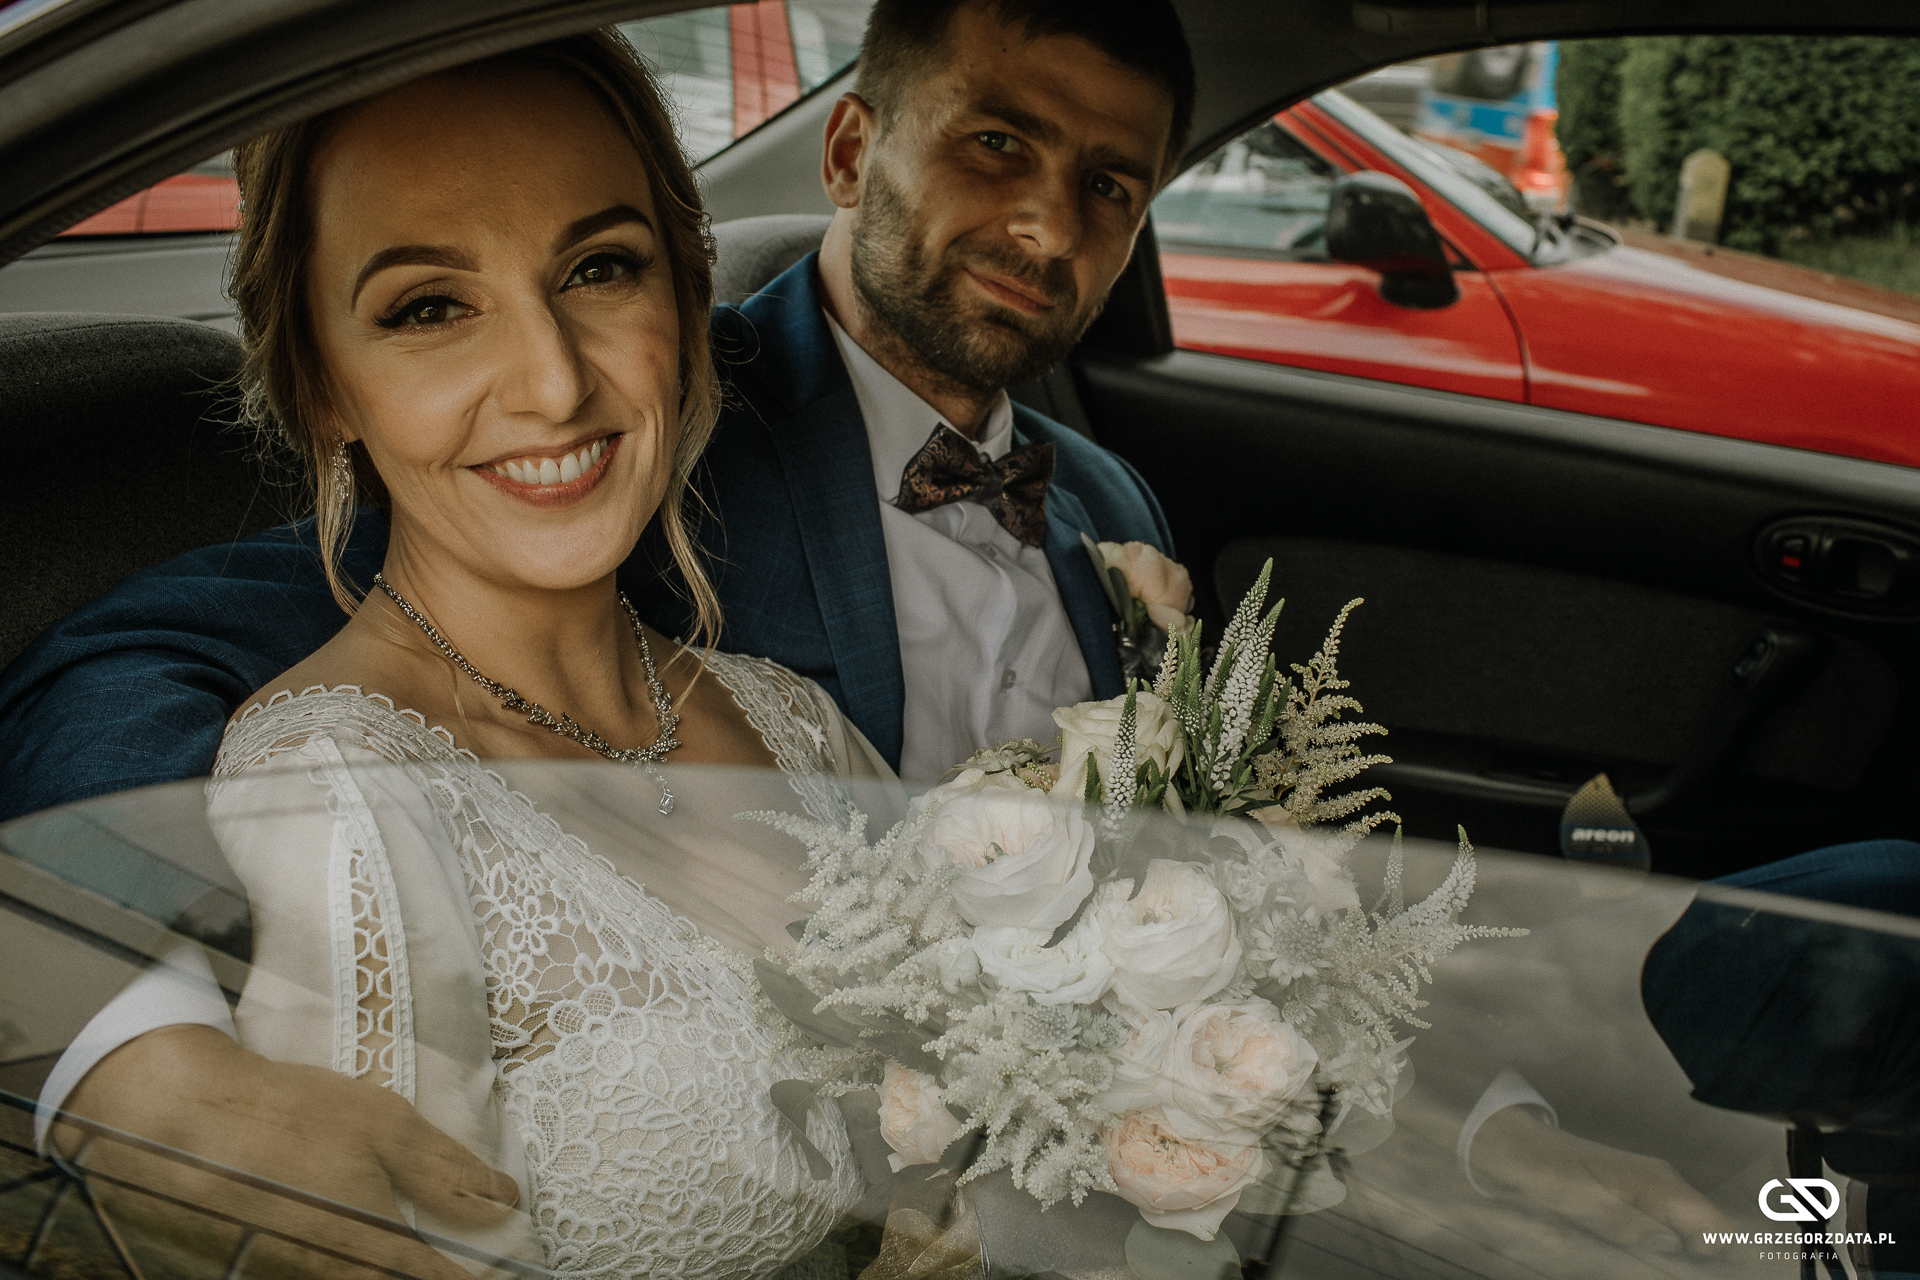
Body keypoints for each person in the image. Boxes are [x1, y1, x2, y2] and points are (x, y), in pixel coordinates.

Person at [43, 31, 891, 1279]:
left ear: (682, 300)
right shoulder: (341, 799)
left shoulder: (797, 721)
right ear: (324, 385)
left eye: (600, 268)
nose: (551, 382)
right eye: (430, 307)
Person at [0, 0, 1192, 816]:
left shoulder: (1110, 497)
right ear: (846, 153)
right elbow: (154, 653)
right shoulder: (648, 428)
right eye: (996, 142)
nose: (1050, 227)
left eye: (1106, 185)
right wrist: (128, 994)